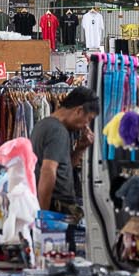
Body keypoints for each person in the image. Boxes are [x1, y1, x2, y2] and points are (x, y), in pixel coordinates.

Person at [30, 87, 97, 232]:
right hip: (56, 212)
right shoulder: (58, 131)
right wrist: (44, 217)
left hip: (52, 208)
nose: (86, 125)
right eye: (88, 119)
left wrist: (80, 148)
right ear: (79, 110)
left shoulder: (43, 124)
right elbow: (48, 172)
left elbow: (62, 168)